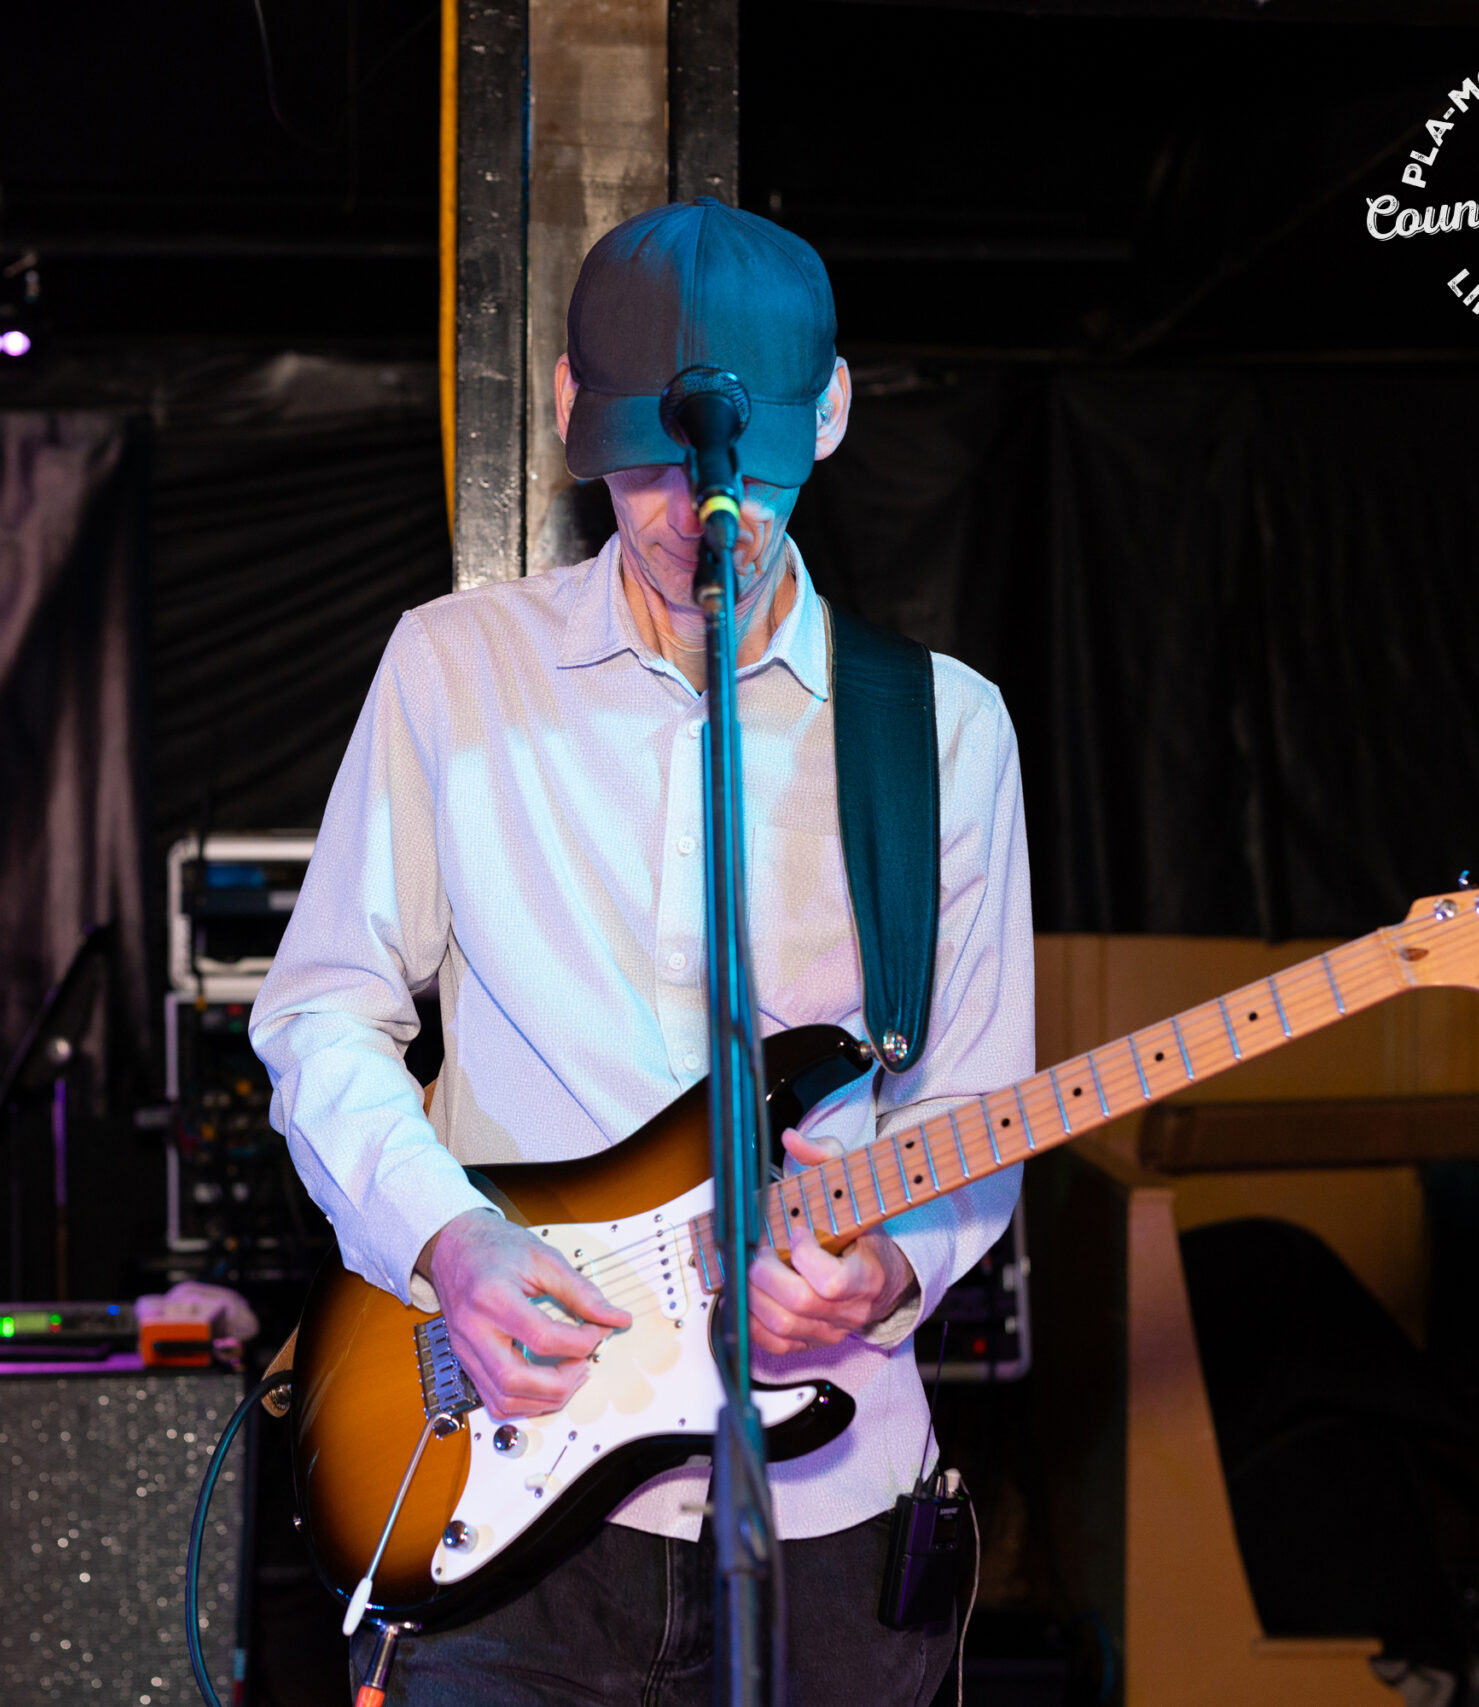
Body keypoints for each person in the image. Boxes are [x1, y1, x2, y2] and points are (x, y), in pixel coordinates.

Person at [251, 197, 1032, 1704]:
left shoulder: (941, 730)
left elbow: (971, 1104)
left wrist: (893, 1264)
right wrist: (445, 1237)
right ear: (567, 407)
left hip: (830, 1511)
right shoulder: (453, 668)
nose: (698, 509)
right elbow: (323, 1011)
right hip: (496, 1491)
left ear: (834, 411)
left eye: (746, 466)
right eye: (651, 460)